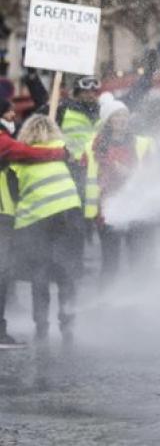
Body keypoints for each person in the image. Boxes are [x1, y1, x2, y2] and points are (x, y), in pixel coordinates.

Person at [8, 115, 84, 343]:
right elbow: (78, 174)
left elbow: (15, 193)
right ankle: (67, 322)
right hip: (69, 213)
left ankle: (41, 325)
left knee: (40, 273)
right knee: (66, 271)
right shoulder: (63, 150)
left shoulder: (19, 159)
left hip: (37, 219)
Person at [0, 100, 68, 345]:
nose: (12, 115)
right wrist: (57, 153)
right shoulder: (2, 139)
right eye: (8, 110)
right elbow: (27, 153)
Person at [83, 94, 156, 284]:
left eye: (124, 115)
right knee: (110, 262)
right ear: (107, 120)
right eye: (116, 116)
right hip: (106, 212)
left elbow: (152, 174)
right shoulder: (93, 146)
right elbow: (82, 173)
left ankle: (137, 297)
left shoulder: (141, 143)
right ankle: (106, 303)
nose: (122, 119)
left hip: (135, 208)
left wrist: (129, 172)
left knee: (137, 258)